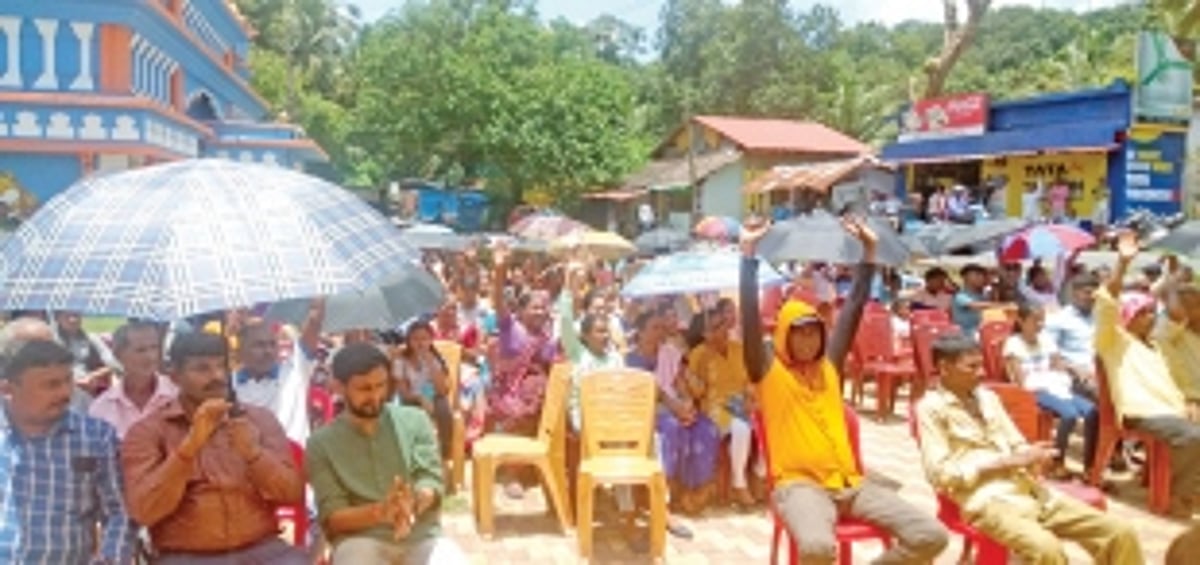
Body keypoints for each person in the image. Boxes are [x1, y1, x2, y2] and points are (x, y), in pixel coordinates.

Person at [740, 217, 949, 565]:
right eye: (799, 333)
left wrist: (868, 253)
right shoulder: (767, 370)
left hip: (850, 483)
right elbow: (748, 320)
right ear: (784, 336)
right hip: (799, 486)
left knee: (932, 536)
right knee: (817, 549)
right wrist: (747, 255)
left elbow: (853, 308)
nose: (808, 340)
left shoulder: (829, 367)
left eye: (814, 333)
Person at [918, 334, 1141, 565]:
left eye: (981, 365)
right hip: (989, 501)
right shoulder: (931, 408)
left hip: (1032, 492)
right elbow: (939, 474)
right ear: (944, 368)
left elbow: (1017, 443)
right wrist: (1002, 463)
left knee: (1119, 533)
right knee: (1047, 550)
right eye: (972, 367)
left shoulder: (987, 398)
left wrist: (1034, 455)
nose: (981, 372)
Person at [122, 332, 308, 563]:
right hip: (187, 556)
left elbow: (291, 494)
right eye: (202, 369)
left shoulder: (259, 420)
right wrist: (188, 449)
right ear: (175, 376)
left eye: (221, 366)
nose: (217, 376)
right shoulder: (148, 432)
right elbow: (144, 511)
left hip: (263, 549)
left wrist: (254, 455)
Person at [306, 343, 468, 564]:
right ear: (339, 387)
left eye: (381, 385)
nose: (375, 396)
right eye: (364, 388)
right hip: (360, 541)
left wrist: (414, 502)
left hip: (421, 536)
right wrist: (381, 512)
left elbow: (430, 479)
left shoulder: (415, 421)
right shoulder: (321, 443)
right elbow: (333, 518)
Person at [0, 338, 137, 563]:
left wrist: (110, 558)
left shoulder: (95, 436)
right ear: (7, 389)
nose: (65, 392)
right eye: (51, 385)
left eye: (68, 380)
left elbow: (119, 512)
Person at [1096, 231, 1200, 517]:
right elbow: (1107, 302)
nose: (1151, 316)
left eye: (1152, 312)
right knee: (1194, 437)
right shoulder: (1113, 341)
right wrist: (1122, 263)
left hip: (1170, 410)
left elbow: (1173, 383)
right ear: (1128, 316)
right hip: (1141, 412)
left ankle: (1187, 488)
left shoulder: (1155, 346)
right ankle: (1178, 497)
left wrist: (1188, 402)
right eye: (1144, 313)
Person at [486, 243, 559, 498]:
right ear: (521, 310)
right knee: (517, 412)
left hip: (538, 393)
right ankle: (511, 473)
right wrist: (500, 269)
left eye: (544, 307)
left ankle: (535, 465)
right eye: (535, 307)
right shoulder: (512, 329)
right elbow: (498, 301)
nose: (540, 311)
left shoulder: (547, 336)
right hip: (510, 393)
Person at [1003, 303, 1098, 478]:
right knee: (1069, 415)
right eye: (1035, 321)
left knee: (1093, 412)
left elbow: (1057, 364)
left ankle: (1090, 466)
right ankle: (1057, 461)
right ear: (1021, 321)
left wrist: (1070, 371)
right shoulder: (1013, 344)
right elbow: (1020, 380)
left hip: (1055, 385)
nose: (1040, 325)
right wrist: (1046, 381)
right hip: (1035, 389)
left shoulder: (1046, 339)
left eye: (1042, 321)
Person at [234, 298, 325, 442]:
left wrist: (318, 300)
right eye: (259, 345)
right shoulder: (228, 385)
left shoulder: (295, 371)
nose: (268, 351)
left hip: (295, 455)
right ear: (240, 352)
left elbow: (314, 321)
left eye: (272, 344)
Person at [89, 320, 178, 439]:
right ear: (118, 355)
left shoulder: (177, 395)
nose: (150, 356)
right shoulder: (102, 407)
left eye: (154, 347)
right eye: (141, 350)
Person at [393, 319, 454, 461]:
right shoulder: (401, 361)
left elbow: (442, 390)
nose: (420, 343)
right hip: (411, 399)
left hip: (433, 396)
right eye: (415, 339)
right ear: (408, 341)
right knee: (414, 412)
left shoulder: (434, 359)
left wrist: (431, 364)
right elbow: (403, 392)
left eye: (424, 339)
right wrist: (420, 399)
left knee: (443, 407)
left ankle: (445, 451)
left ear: (430, 340)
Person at [53, 309, 118, 408]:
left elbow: (113, 363)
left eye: (76, 315)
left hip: (86, 385)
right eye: (67, 316)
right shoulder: (50, 339)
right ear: (58, 318)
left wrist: (93, 376)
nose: (73, 320)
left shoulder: (90, 338)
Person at [952, 264, 1012, 338]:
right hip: (966, 334)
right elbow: (978, 305)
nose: (981, 278)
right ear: (965, 277)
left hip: (981, 331)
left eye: (982, 275)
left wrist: (994, 284)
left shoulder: (982, 295)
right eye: (977, 275)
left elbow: (993, 304)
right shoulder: (960, 296)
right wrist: (1005, 305)